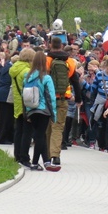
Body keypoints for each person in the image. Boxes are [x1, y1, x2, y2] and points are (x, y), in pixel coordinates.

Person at [45, 36, 82, 171]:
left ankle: (47, 155)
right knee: (58, 127)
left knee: (47, 127)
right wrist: (78, 98)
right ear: (62, 46)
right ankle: (56, 155)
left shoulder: (46, 61)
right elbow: (75, 82)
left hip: (46, 100)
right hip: (62, 99)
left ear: (50, 45)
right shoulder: (70, 62)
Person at [24, 51, 57, 170]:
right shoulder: (46, 78)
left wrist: (26, 112)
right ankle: (34, 163)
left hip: (31, 109)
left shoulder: (27, 77)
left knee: (40, 135)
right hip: (43, 110)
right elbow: (51, 97)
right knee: (39, 136)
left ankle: (47, 161)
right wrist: (54, 114)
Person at [9, 48, 36, 166]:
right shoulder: (27, 71)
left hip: (18, 103)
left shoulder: (14, 68)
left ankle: (17, 155)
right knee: (27, 132)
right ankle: (25, 157)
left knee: (18, 130)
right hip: (27, 104)